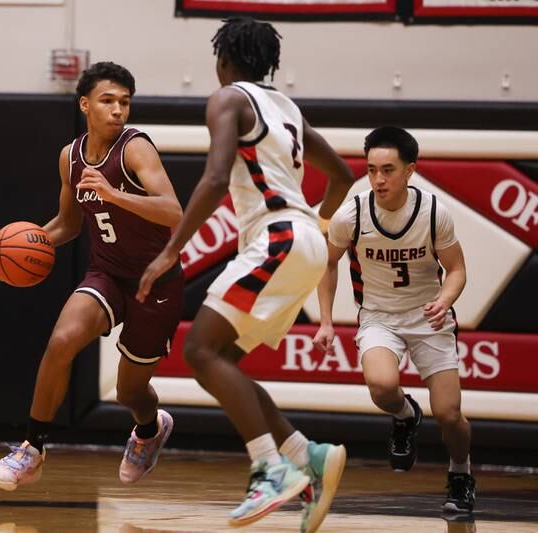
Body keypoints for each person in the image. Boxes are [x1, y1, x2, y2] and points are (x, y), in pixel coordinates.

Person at [137, 17, 355, 530]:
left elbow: (215, 178)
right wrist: (314, 228)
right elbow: (343, 177)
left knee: (198, 350)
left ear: (224, 60)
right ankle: (307, 456)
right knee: (225, 360)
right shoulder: (288, 108)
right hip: (301, 241)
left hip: (276, 237)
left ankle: (268, 472)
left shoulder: (228, 99)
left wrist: (171, 252)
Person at [0, 62, 184, 491]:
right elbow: (68, 224)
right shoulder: (70, 157)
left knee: (130, 393)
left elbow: (174, 211)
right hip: (108, 273)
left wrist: (114, 194)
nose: (118, 110)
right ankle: (32, 449)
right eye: (108, 101)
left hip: (156, 282)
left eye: (125, 102)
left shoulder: (136, 149)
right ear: (85, 104)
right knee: (61, 342)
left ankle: (150, 431)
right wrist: (17, 247)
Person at [313, 126, 475, 514]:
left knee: (450, 414)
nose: (379, 179)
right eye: (371, 170)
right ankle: (406, 416)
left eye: (388, 170)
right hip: (380, 316)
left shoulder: (435, 212)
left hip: (427, 318)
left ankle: (460, 474)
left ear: (409, 170)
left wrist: (445, 299)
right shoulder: (351, 214)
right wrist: (325, 321)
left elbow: (457, 270)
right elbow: (327, 263)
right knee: (382, 386)